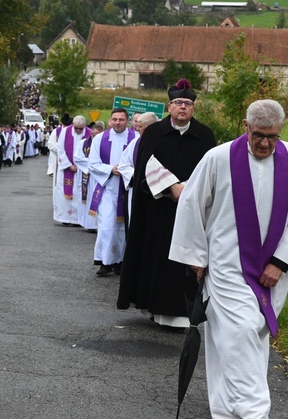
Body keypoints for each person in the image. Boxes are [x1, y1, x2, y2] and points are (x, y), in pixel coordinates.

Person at [169, 99, 288, 418]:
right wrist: (196, 256)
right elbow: (191, 203)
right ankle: (254, 413)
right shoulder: (218, 158)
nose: (265, 143)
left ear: (281, 131)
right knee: (241, 336)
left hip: (271, 274)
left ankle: (224, 412)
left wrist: (281, 261)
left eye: (272, 137)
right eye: (258, 135)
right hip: (226, 270)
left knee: (240, 345)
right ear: (245, 127)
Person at [117, 79, 215, 327]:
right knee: (156, 257)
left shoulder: (204, 136)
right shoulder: (153, 133)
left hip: (191, 209)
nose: (183, 107)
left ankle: (183, 315)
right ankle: (153, 307)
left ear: (193, 108)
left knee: (184, 259)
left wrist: (187, 189)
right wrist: (171, 187)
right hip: (157, 209)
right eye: (178, 102)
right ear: (169, 106)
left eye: (188, 103)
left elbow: (209, 171)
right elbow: (146, 166)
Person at [88, 108, 136, 275]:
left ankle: (122, 262)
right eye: (114, 119)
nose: (117, 122)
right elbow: (92, 163)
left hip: (127, 189)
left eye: (121, 119)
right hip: (107, 189)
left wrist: (125, 171)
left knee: (124, 227)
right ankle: (106, 262)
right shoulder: (100, 139)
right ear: (110, 120)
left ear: (127, 121)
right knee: (107, 226)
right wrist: (110, 169)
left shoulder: (135, 138)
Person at [119, 111, 159, 221]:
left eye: (141, 127)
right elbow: (123, 164)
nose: (138, 129)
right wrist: (135, 174)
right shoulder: (135, 142)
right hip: (138, 187)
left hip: (158, 190)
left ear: (151, 126)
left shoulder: (164, 142)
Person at [53, 115, 90, 226]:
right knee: (64, 193)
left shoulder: (89, 134)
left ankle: (78, 219)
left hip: (82, 171)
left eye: (80, 128)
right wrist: (69, 165)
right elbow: (60, 149)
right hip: (67, 169)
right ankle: (64, 217)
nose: (78, 130)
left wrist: (81, 166)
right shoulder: (65, 131)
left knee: (79, 193)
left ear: (84, 126)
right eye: (76, 128)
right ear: (73, 125)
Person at [75, 121, 105, 231]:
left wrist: (98, 166)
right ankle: (89, 224)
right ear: (91, 133)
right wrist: (93, 164)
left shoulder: (105, 144)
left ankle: (98, 225)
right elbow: (78, 158)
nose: (95, 137)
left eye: (98, 135)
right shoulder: (83, 143)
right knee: (88, 199)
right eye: (93, 135)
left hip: (100, 176)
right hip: (87, 175)